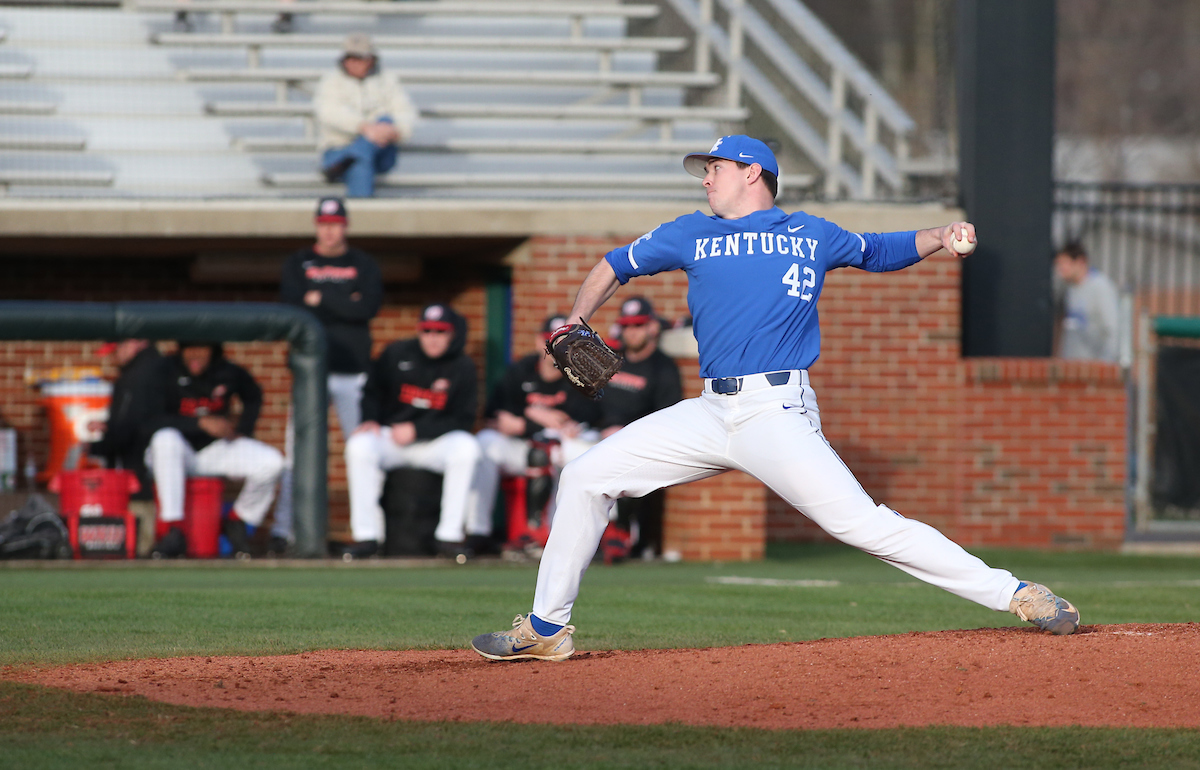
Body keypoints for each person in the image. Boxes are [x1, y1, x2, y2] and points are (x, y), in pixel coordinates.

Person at [471, 135, 1081, 662]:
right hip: (709, 410)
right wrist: (575, 319)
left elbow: (880, 249)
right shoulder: (690, 232)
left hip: (775, 410)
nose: (705, 177)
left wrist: (942, 235)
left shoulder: (808, 233)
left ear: (751, 173)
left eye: (714, 167)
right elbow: (613, 265)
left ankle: (1014, 593)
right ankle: (548, 628)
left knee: (862, 524)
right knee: (584, 475)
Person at [276, 196, 383, 549]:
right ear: (316, 224)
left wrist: (319, 299)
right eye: (324, 222)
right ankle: (286, 531)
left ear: (345, 226)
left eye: (335, 223)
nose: (329, 229)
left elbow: (366, 307)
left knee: (364, 450)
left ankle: (369, 534)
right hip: (311, 375)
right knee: (297, 451)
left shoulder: (362, 263)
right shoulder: (298, 262)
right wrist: (343, 301)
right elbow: (291, 306)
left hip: (354, 373)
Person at [342, 303, 490, 559]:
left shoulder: (462, 365)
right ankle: (367, 537)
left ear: (451, 334)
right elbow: (371, 391)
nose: (433, 338)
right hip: (393, 439)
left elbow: (463, 420)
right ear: (420, 331)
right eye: (427, 330)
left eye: (440, 331)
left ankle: (449, 537)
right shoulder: (396, 352)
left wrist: (418, 429)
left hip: (434, 444)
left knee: (467, 448)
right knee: (359, 446)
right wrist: (369, 419)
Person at [145, 343, 285, 559]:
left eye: (201, 348)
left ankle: (238, 520)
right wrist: (199, 423)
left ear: (212, 351)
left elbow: (253, 395)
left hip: (213, 449)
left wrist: (243, 430)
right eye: (189, 348)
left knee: (272, 462)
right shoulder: (163, 370)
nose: (195, 354)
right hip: (171, 453)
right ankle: (173, 530)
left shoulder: (226, 371)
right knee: (165, 439)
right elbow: (148, 421)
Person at [475, 315, 603, 550]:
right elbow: (493, 419)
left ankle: (567, 538)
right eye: (550, 341)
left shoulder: (582, 375)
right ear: (538, 342)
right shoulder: (519, 371)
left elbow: (580, 424)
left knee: (572, 455)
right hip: (521, 447)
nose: (555, 350)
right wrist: (532, 417)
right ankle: (478, 531)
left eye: (563, 343)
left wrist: (530, 418)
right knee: (484, 443)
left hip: (562, 450)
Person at [599, 297, 683, 559]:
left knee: (623, 465)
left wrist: (624, 432)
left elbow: (668, 418)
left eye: (638, 324)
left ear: (652, 327)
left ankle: (623, 537)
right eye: (627, 325)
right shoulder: (610, 359)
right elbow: (588, 405)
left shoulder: (663, 368)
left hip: (637, 443)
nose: (632, 331)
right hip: (596, 436)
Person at [314, 33, 417, 198]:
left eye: (359, 58)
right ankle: (354, 160)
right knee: (360, 166)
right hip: (338, 147)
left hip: (381, 151)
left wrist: (394, 131)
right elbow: (328, 113)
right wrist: (364, 128)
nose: (353, 62)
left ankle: (347, 160)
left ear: (371, 59)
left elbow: (405, 111)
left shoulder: (387, 80)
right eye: (349, 57)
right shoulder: (331, 81)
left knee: (386, 120)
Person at [87, 339, 169, 507]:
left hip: (139, 480)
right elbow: (142, 417)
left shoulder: (135, 377)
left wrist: (95, 448)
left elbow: (128, 430)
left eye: (116, 350)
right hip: (162, 478)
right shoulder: (162, 368)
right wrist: (109, 425)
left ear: (135, 343)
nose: (114, 357)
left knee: (139, 526)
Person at [1053, 241, 1120, 362]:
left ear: (1080, 262)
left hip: (1094, 369)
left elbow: (1113, 330)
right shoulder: (1071, 289)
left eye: (1064, 263)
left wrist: (1106, 366)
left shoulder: (1100, 287)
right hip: (1074, 368)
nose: (1060, 270)